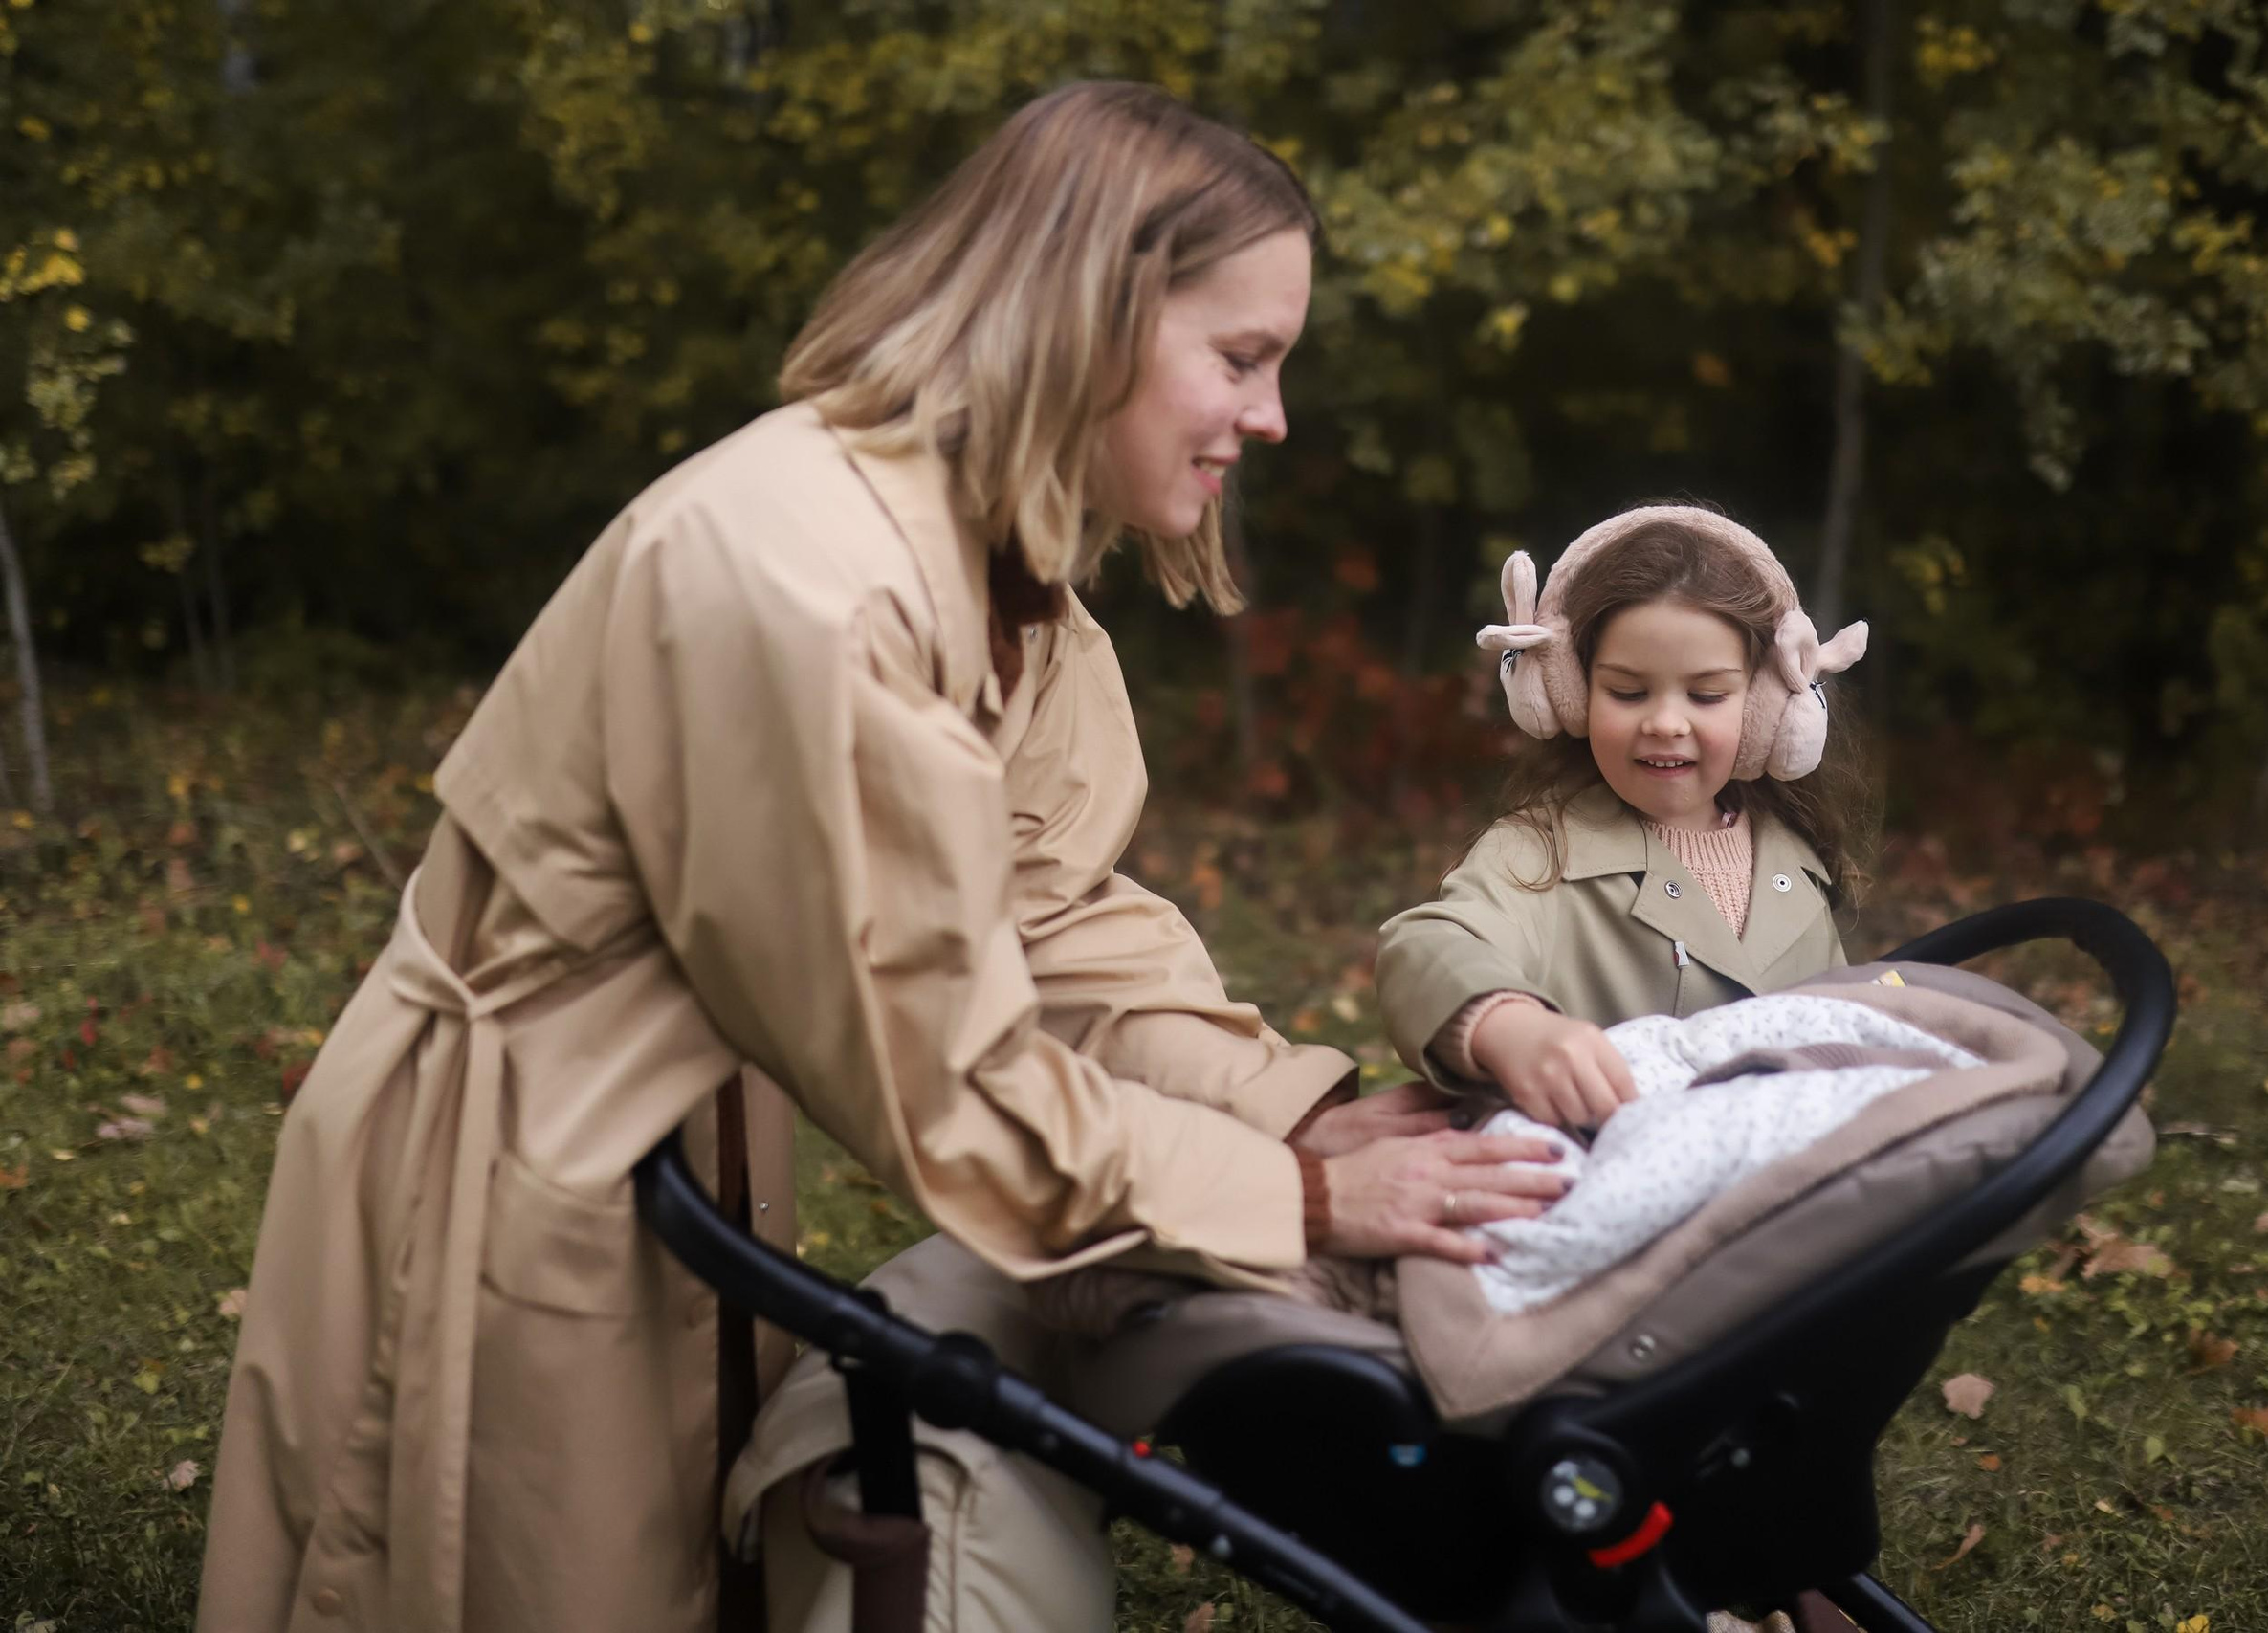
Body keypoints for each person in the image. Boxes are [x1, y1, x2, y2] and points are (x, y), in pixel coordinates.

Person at [194, 81, 1566, 1633]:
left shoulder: (1003, 575)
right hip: (517, 1169)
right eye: (1241, 357)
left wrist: (1299, 1107)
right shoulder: (812, 586)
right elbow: (945, 1075)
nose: (1272, 417)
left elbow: (1051, 917)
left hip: (667, 1139)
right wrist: (1300, 1199)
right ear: (1090, 316)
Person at [1376, 505, 1873, 1130]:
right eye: (1629, 691)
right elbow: (1426, 947)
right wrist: (1509, 1026)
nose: (1665, 722)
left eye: (1706, 694)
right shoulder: (1536, 854)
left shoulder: (1796, 867)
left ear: (1768, 706)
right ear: (1571, 693)